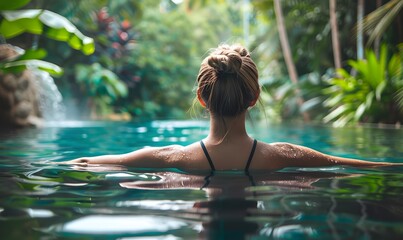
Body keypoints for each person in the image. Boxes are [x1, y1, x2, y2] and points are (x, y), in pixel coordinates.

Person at [68, 44, 397, 171]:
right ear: (254, 98)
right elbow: (366, 166)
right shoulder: (283, 155)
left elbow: (84, 162)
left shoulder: (172, 158)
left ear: (201, 98)